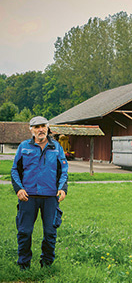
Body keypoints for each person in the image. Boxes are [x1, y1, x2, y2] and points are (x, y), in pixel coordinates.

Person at [11, 116, 68, 270]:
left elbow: (64, 171)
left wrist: (63, 188)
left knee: (50, 233)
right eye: (36, 127)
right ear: (31, 130)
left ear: (48, 127)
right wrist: (19, 189)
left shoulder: (56, 147)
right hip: (27, 197)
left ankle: (47, 264)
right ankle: (24, 265)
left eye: (43, 126)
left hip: (50, 197)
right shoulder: (24, 147)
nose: (40, 130)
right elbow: (15, 170)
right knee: (24, 232)